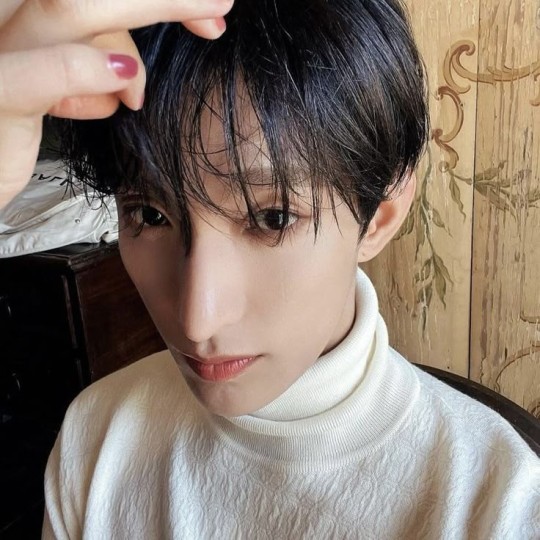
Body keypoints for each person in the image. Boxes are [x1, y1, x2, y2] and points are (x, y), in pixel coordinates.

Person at [1, 0, 538, 538]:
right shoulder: (95, 439)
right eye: (150, 214)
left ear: (379, 217)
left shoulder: (499, 507)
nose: (196, 320)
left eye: (273, 217)